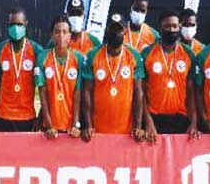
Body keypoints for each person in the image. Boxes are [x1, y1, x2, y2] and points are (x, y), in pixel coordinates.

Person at [81, 14, 144, 142]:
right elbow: (86, 91)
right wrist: (88, 125)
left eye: (119, 30)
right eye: (112, 29)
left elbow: (138, 92)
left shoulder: (134, 56)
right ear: (106, 30)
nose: (116, 33)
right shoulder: (92, 55)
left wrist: (137, 126)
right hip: (97, 130)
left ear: (125, 31)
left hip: (126, 131)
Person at [138, 10, 199, 139]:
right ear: (160, 29)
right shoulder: (147, 53)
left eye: (175, 26)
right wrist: (148, 121)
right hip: (154, 120)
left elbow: (191, 92)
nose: (171, 30)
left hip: (181, 120)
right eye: (167, 26)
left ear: (179, 28)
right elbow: (141, 92)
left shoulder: (188, 53)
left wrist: (194, 122)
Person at [0, 7, 44, 132]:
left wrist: (40, 116)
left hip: (27, 116)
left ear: (26, 24)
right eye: (12, 25)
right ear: (8, 25)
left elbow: (43, 88)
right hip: (3, 116)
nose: (16, 28)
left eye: (19, 24)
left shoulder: (37, 51)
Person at [36, 15, 84, 140]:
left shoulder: (78, 59)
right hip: (50, 128)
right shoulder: (42, 58)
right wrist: (48, 125)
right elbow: (42, 93)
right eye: (57, 32)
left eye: (64, 32)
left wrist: (76, 124)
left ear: (70, 36)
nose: (61, 36)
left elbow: (78, 93)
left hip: (71, 128)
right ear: (52, 35)